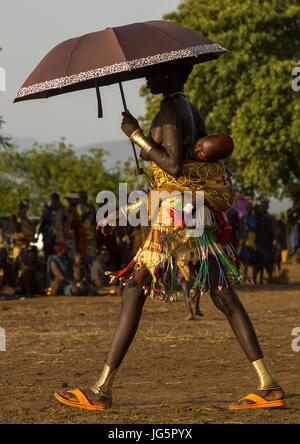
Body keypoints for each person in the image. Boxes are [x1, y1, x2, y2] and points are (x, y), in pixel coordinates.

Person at [55, 61, 284, 411]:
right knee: (222, 296)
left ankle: (101, 391)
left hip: (176, 217)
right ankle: (267, 383)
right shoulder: (188, 107)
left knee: (135, 292)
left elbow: (174, 166)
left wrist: (134, 134)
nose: (148, 77)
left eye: (155, 72)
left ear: (173, 74)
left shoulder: (173, 107)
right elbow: (178, 178)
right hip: (188, 211)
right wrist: (124, 212)